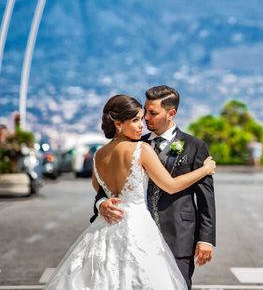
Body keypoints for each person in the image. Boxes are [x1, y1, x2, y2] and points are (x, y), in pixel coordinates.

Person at [44, 94, 216, 289]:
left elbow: (98, 187)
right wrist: (204, 170)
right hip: (138, 229)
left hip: (109, 230)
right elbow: (170, 185)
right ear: (118, 124)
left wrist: (104, 201)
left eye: (144, 118)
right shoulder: (140, 148)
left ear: (171, 113)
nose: (142, 124)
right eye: (136, 120)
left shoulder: (99, 155)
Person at [93, 85, 216, 289]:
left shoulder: (195, 146)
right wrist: (102, 203)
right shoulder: (135, 144)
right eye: (144, 113)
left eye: (152, 113)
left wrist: (206, 239)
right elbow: (103, 190)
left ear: (171, 113)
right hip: (134, 236)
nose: (146, 119)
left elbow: (206, 198)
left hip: (178, 236)